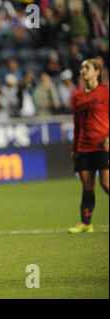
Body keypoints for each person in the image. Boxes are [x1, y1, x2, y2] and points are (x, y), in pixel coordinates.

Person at [68, 59, 109, 234]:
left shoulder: (106, 92)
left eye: (87, 67)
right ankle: (86, 223)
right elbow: (77, 124)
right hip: (84, 147)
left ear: (97, 72)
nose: (83, 70)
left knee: (106, 184)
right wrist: (74, 147)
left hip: (103, 145)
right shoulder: (77, 96)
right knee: (87, 187)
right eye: (82, 67)